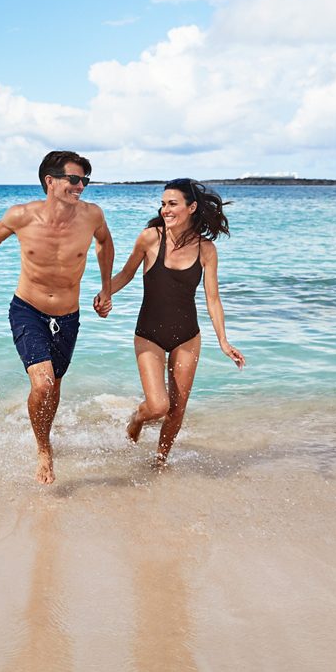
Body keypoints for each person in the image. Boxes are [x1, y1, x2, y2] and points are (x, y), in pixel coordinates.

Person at [0, 151, 114, 484]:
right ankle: (44, 449)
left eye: (85, 180)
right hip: (28, 309)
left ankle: (45, 433)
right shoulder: (21, 216)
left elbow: (104, 242)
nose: (81, 186)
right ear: (50, 181)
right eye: (74, 179)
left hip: (69, 316)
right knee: (42, 384)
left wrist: (106, 288)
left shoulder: (92, 216)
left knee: (53, 387)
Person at [108, 179, 244, 467]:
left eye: (173, 204)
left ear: (191, 207)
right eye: (163, 203)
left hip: (187, 336)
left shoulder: (205, 249)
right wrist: (105, 293)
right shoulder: (149, 238)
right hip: (149, 334)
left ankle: (159, 463)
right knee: (158, 405)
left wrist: (223, 340)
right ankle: (136, 417)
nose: (165, 209)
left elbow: (213, 299)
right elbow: (127, 273)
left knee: (177, 409)